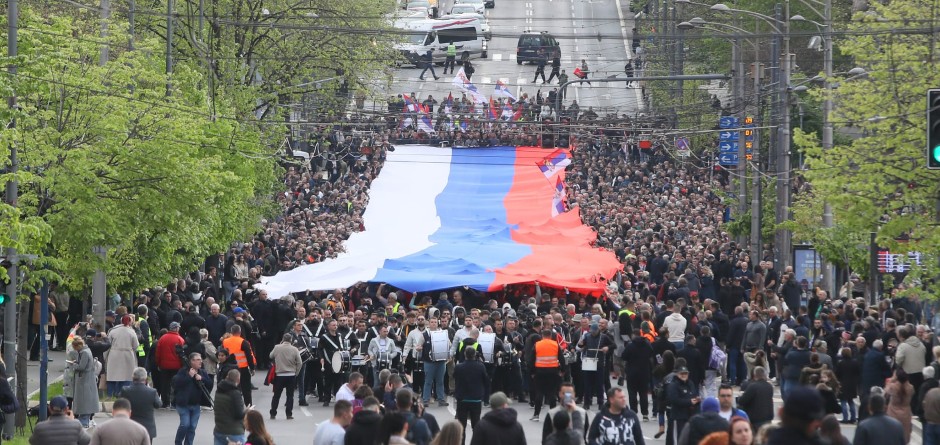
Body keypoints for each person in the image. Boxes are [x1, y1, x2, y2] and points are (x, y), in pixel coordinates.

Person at [173, 352, 212, 445]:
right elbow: (176, 384)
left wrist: (202, 378)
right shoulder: (183, 371)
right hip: (183, 404)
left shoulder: (202, 372)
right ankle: (178, 442)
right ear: (192, 361)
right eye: (198, 359)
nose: (200, 361)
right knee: (185, 424)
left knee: (192, 427)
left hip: (196, 405)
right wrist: (189, 376)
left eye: (200, 359)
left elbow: (210, 384)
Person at [454, 348, 490, 445]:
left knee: (461, 425)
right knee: (476, 425)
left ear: (465, 355)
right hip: (476, 399)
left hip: (462, 399)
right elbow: (486, 381)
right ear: (475, 355)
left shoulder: (459, 367)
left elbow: (455, 377)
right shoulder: (480, 366)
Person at [529, 329, 566, 422]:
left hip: (539, 371)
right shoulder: (555, 344)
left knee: (539, 393)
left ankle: (536, 415)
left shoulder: (537, 345)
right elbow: (561, 359)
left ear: (542, 335)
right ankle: (552, 414)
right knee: (552, 393)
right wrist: (562, 370)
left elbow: (531, 360)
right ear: (551, 336)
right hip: (553, 371)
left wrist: (532, 372)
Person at [119, 367, 161, 440]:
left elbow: (119, 402)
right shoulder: (152, 392)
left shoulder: (125, 390)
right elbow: (158, 404)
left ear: (133, 377)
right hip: (147, 428)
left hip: (131, 427)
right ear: (145, 379)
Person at [622, 328, 653, 420]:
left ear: (633, 335)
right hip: (644, 372)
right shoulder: (647, 344)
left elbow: (624, 356)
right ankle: (645, 414)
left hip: (632, 372)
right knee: (643, 394)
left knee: (632, 393)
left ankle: (633, 412)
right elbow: (651, 353)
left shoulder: (630, 346)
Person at [222, 324, 256, 406]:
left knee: (230, 387)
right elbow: (249, 356)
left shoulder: (225, 341)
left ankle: (230, 405)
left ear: (231, 332)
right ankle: (248, 405)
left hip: (228, 367)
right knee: (246, 389)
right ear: (240, 332)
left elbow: (223, 353)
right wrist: (252, 368)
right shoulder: (243, 342)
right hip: (242, 368)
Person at [270, 333, 302, 419]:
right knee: (290, 395)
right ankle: (289, 414)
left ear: (283, 339)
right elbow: (299, 362)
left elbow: (271, 355)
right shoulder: (294, 349)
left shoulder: (277, 347)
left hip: (280, 374)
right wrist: (296, 372)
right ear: (291, 340)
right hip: (291, 374)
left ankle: (273, 413)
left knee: (276, 395)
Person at [106, 315, 140, 397]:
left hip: (114, 355)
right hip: (127, 356)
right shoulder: (131, 332)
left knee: (112, 376)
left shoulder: (113, 331)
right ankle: (123, 395)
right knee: (126, 377)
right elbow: (136, 345)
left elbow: (107, 344)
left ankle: (110, 395)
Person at [71, 336, 100, 428]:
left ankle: (84, 421)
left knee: (84, 401)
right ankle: (85, 419)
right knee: (87, 400)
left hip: (84, 380)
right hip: (87, 379)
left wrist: (74, 365)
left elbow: (81, 367)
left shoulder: (84, 353)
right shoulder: (87, 351)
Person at [666, 366, 699, 445]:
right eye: (682, 373)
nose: (684, 375)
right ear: (677, 374)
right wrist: (689, 402)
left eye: (686, 373)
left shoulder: (690, 383)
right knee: (677, 440)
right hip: (678, 417)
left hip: (689, 416)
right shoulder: (673, 385)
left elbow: (693, 394)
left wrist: (697, 400)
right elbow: (674, 400)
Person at [155, 321, 185, 408]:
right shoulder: (180, 339)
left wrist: (158, 363)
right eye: (178, 327)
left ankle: (165, 402)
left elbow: (158, 353)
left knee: (165, 384)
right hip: (177, 366)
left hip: (164, 365)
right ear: (176, 328)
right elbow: (182, 354)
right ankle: (174, 402)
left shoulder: (162, 338)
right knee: (176, 384)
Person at [214, 368, 248, 445]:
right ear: (238, 380)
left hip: (219, 429)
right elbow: (238, 414)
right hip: (234, 431)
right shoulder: (235, 393)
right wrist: (246, 411)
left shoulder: (219, 390)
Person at [884, 369, 913, 443]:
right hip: (906, 412)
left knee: (892, 434)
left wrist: (892, 380)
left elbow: (885, 392)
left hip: (893, 411)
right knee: (905, 433)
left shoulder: (893, 387)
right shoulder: (910, 388)